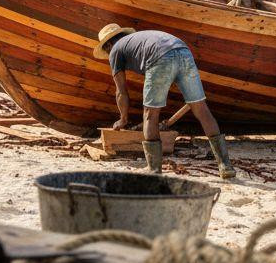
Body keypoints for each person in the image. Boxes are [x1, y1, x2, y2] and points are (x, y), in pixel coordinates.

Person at [94, 24, 235, 178]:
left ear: (108, 44)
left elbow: (121, 91)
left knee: (150, 115)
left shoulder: (115, 50)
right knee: (201, 109)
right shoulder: (138, 39)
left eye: (106, 50)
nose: (108, 54)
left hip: (159, 57)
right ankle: (225, 166)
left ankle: (154, 170)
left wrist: (123, 119)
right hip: (183, 51)